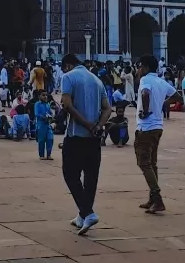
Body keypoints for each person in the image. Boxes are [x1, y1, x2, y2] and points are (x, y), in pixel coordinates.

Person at [59, 53, 112, 236]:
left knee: (70, 174)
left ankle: (88, 213)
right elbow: (107, 108)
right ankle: (82, 215)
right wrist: (98, 126)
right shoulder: (96, 80)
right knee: (90, 177)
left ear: (67, 65)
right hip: (94, 139)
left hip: (75, 137)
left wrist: (87, 124)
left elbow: (67, 105)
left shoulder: (68, 77)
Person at [134, 54, 178, 214]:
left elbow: (145, 94)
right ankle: (153, 198)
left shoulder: (145, 80)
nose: (138, 70)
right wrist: (162, 103)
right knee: (152, 163)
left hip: (146, 126)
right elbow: (177, 96)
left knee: (144, 163)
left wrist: (145, 111)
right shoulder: (161, 81)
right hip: (158, 126)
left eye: (139, 66)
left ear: (145, 68)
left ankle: (157, 199)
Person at [34, 90, 55, 160]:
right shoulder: (37, 104)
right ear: (39, 96)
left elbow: (50, 112)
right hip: (41, 124)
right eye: (43, 95)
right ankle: (41, 155)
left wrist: (51, 115)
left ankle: (49, 154)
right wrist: (43, 117)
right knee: (41, 140)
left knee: (50, 138)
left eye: (46, 95)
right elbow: (37, 114)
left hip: (47, 124)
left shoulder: (47, 104)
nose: (45, 96)